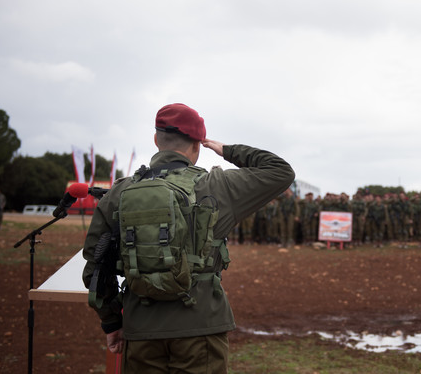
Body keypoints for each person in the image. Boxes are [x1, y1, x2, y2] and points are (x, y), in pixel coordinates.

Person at [82, 103, 295, 373]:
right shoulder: (217, 185)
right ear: (197, 145)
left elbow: (95, 267)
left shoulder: (120, 192)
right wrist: (226, 150)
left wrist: (112, 323)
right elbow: (280, 171)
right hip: (201, 324)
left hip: (141, 326)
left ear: (156, 140)